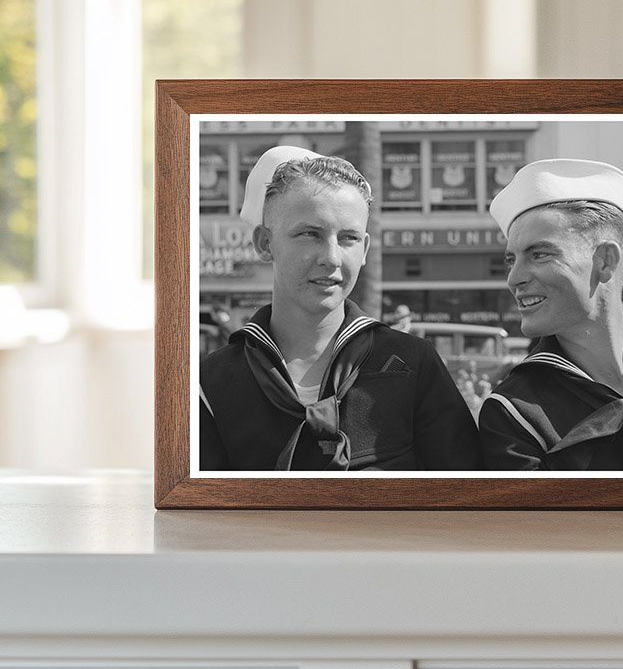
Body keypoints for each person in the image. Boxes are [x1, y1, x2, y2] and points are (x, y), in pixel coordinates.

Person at [199, 146, 482, 471]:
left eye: (347, 238)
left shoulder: (412, 365)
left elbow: (463, 505)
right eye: (309, 234)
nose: (331, 257)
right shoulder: (212, 384)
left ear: (364, 250)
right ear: (265, 243)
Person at [478, 159, 623, 471]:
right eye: (512, 259)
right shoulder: (514, 412)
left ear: (605, 261)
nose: (514, 278)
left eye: (539, 254)